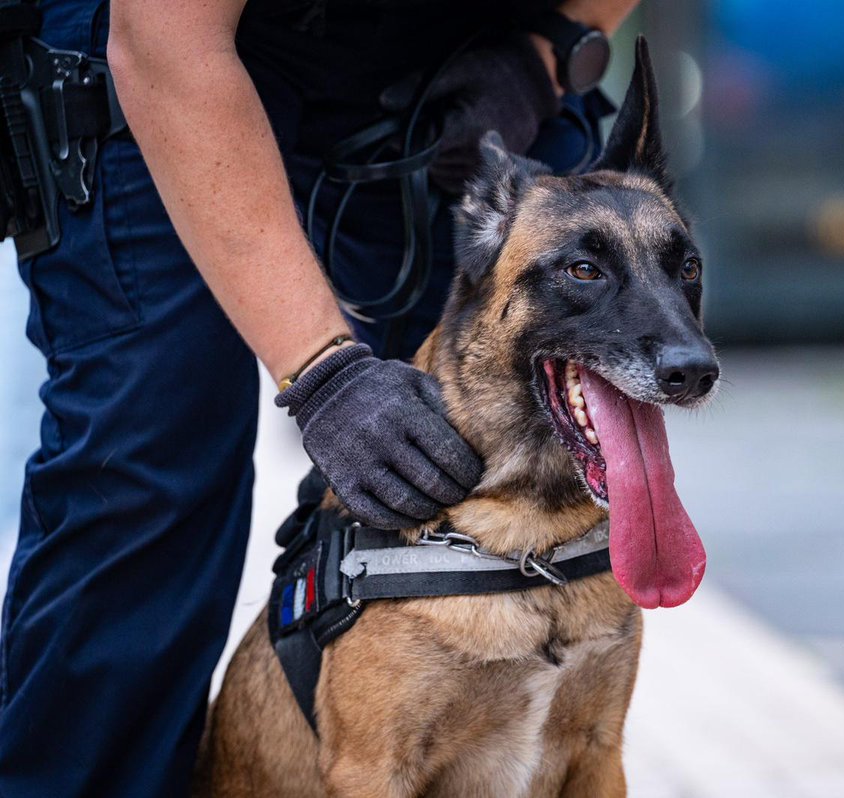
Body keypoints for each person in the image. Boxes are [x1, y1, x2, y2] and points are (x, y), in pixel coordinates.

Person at [0, 0, 637, 794]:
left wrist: (547, 47)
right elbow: (167, 45)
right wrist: (323, 370)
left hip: (463, 52)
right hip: (180, 61)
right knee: (146, 472)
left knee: (510, 464)